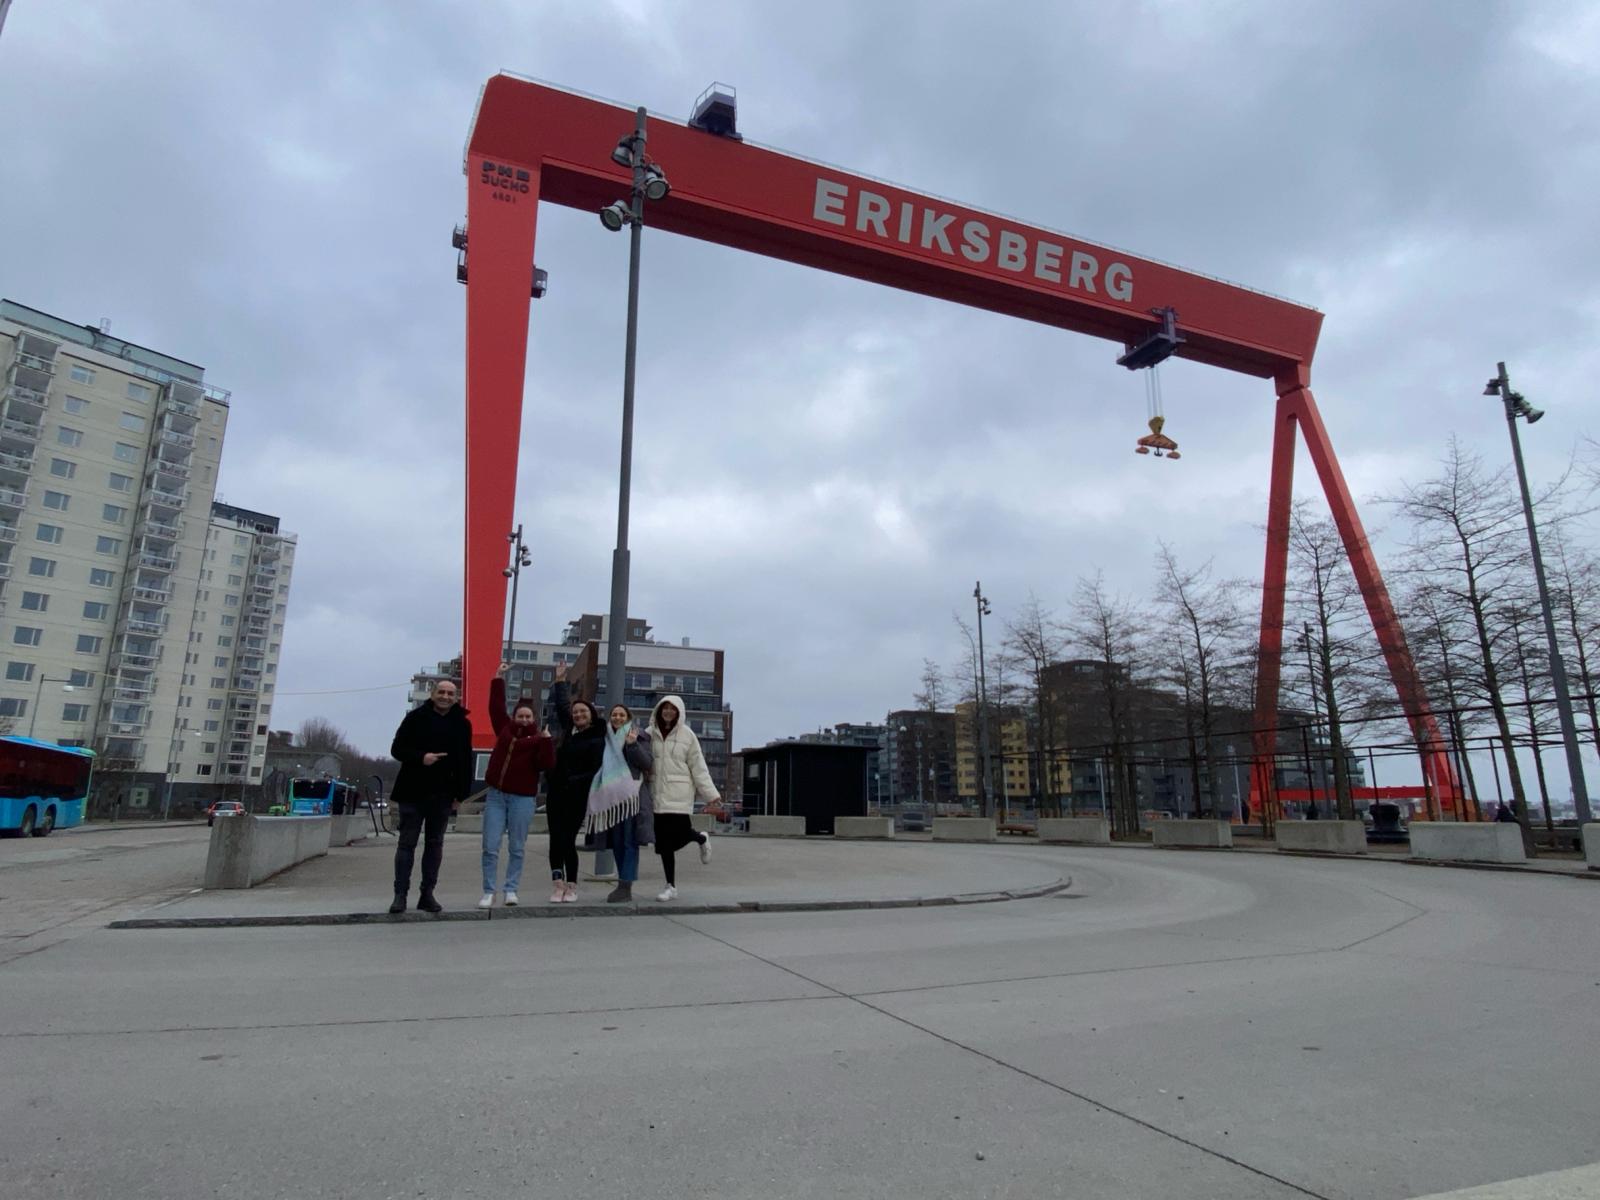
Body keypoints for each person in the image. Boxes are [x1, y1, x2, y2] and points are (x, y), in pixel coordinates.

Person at [389, 678, 473, 914]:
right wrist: (421, 757)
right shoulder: (415, 718)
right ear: (433, 693)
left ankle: (427, 894)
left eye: (450, 693)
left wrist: (461, 794)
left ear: (456, 697)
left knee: (435, 845)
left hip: (444, 794)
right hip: (412, 791)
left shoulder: (462, 724)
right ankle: (400, 895)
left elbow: (466, 761)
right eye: (441, 692)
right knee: (407, 844)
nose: (445, 696)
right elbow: (397, 749)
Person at [479, 663, 556, 909]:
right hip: (497, 797)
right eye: (520, 715)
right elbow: (496, 707)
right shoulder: (504, 730)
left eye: (527, 716)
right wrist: (498, 678)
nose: (523, 719)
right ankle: (489, 891)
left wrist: (545, 742)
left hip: (523, 799)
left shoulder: (538, 740)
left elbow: (547, 764)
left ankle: (511, 889)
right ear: (514, 717)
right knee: (490, 846)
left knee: (516, 847)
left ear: (533, 719)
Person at [648, 694, 719, 902]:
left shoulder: (688, 736)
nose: (668, 712)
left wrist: (711, 794)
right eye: (665, 708)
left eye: (672, 709)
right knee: (663, 845)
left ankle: (701, 838)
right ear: (659, 710)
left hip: (679, 794)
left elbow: (699, 767)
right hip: (657, 795)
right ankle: (670, 885)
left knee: (681, 833)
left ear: (679, 712)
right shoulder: (648, 733)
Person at [546, 664, 604, 903]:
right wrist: (560, 680)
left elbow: (595, 770)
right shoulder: (569, 731)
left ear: (591, 715)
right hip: (556, 793)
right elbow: (561, 706)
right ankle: (557, 884)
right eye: (576, 712)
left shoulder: (597, 738)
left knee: (567, 840)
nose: (578, 715)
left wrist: (573, 780)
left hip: (577, 796)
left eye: (583, 712)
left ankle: (572, 885)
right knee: (554, 839)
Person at [593, 703, 654, 904]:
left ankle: (625, 885)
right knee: (617, 842)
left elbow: (647, 763)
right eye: (614, 714)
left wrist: (632, 745)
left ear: (628, 717)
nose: (617, 718)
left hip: (631, 798)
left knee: (629, 842)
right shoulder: (605, 739)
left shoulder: (639, 736)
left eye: (621, 714)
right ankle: (623, 880)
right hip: (611, 800)